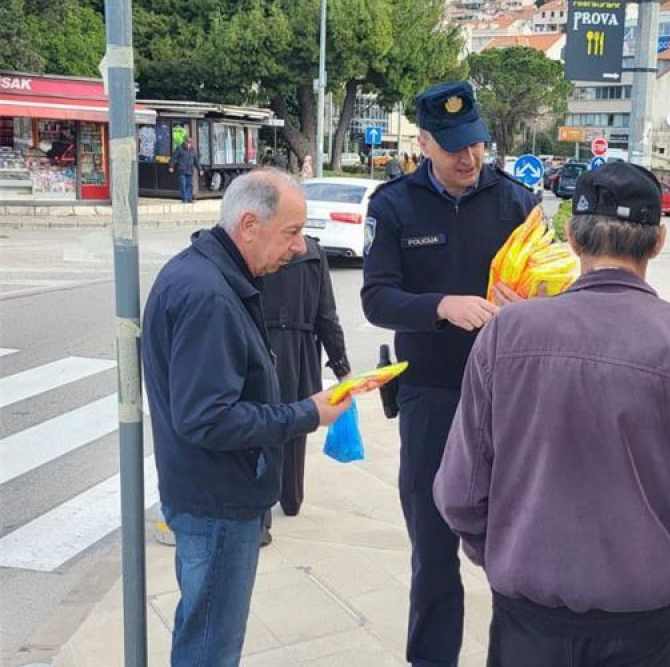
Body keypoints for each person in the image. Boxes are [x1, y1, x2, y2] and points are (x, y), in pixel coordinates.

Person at [433, 162, 670, 667]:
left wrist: (504, 552)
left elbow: (459, 491)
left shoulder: (505, 334)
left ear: (572, 237)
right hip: (646, 616)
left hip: (528, 612)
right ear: (658, 242)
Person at [142, 169, 352, 666]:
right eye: (292, 232)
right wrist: (306, 413)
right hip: (217, 501)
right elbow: (207, 419)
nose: (300, 248)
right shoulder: (209, 295)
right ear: (250, 224)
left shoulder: (208, 274)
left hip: (209, 493)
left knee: (204, 631)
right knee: (211, 644)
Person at [361, 80, 538, 667]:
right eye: (456, 146)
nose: (470, 158)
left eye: (478, 144)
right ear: (425, 143)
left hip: (508, 397)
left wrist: (532, 306)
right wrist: (441, 306)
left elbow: (557, 287)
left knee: (518, 542)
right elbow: (376, 299)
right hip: (431, 396)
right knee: (433, 548)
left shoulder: (517, 203)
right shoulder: (394, 205)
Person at [260, 235, 352, 526]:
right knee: (296, 424)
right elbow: (327, 316)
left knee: (261, 427)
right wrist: (341, 367)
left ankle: (261, 517)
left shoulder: (261, 247)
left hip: (262, 345)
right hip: (300, 352)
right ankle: (292, 498)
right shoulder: (313, 251)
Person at [169, 137, 201, 203]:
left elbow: (196, 161)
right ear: (185, 142)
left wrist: (200, 169)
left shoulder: (193, 150)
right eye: (187, 142)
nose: (189, 144)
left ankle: (189, 199)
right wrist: (171, 166)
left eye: (190, 143)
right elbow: (173, 158)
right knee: (182, 184)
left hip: (189, 170)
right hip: (181, 170)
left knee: (189, 185)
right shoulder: (179, 149)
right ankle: (184, 199)